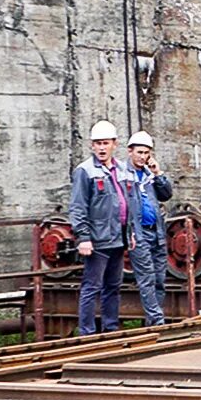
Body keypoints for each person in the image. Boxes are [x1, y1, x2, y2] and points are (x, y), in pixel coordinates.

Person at [68, 120, 141, 335]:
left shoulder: (123, 169)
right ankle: (87, 333)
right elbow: (78, 207)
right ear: (92, 145)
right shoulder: (85, 171)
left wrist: (130, 233)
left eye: (105, 143)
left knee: (113, 287)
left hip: (118, 238)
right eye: (98, 144)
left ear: (114, 144)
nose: (101, 148)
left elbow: (128, 203)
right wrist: (83, 237)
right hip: (97, 240)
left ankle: (110, 329)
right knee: (92, 287)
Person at [124, 131, 173, 324]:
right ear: (130, 151)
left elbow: (166, 195)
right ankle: (157, 321)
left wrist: (158, 174)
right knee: (147, 278)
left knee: (159, 279)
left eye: (146, 153)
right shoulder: (123, 174)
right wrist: (128, 231)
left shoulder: (149, 174)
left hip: (157, 231)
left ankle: (152, 322)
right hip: (138, 233)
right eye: (139, 152)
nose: (142, 157)